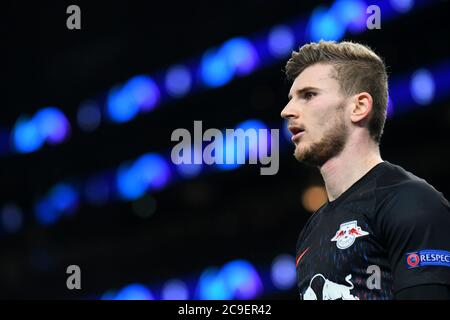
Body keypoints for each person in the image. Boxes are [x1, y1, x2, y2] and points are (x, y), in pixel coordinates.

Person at [280, 40, 450, 300]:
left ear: (359, 107)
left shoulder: (412, 202)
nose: (287, 111)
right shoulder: (310, 232)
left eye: (309, 95)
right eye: (291, 98)